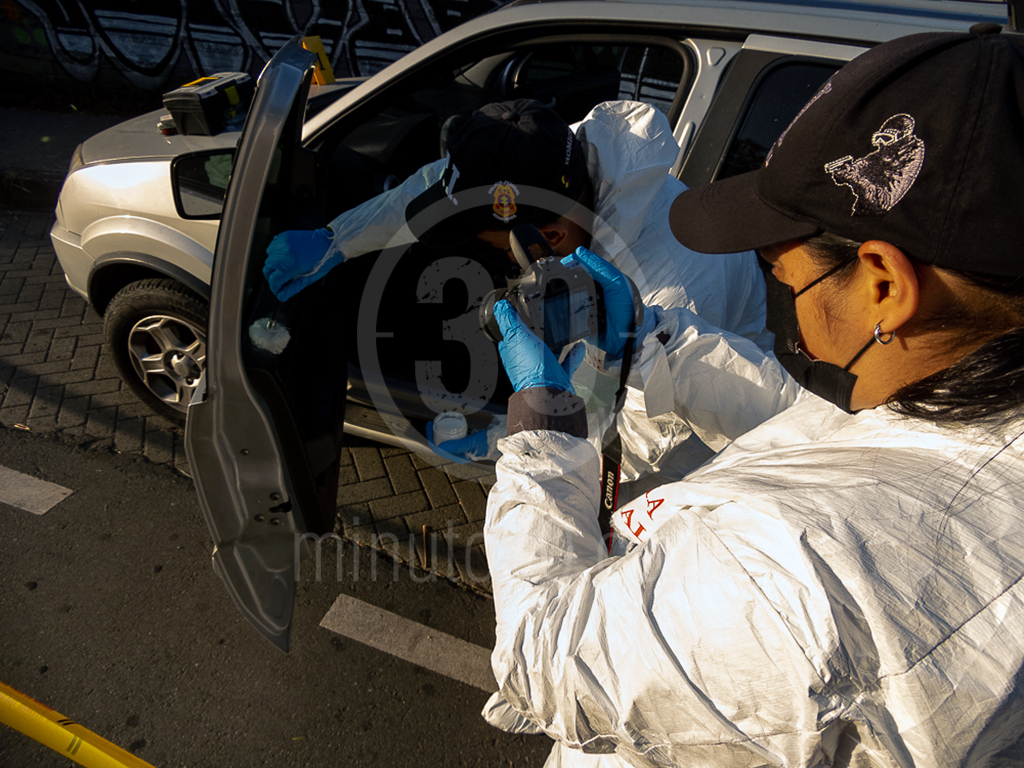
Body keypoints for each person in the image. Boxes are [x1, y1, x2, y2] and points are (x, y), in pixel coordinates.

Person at [484, 25, 1024, 767]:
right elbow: (814, 431)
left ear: (886, 286)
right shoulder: (952, 399)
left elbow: (541, 651)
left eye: (782, 272)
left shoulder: (785, 574)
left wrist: (547, 425)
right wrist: (654, 339)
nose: (778, 298)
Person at [262, 98, 780, 479]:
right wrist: (335, 240)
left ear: (547, 238)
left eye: (489, 245)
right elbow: (436, 185)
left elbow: (617, 435)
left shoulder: (664, 294)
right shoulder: (549, 157)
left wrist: (504, 444)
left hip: (686, 449)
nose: (484, 257)